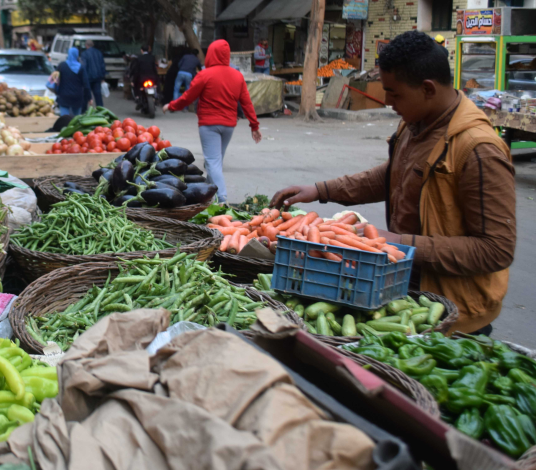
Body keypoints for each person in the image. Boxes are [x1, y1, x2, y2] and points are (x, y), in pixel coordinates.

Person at [270, 31, 515, 335]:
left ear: (427, 89)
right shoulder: (416, 122)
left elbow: (496, 250)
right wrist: (320, 190)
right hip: (404, 294)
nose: (387, 102)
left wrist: (395, 242)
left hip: (452, 315)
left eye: (395, 94)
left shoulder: (478, 150)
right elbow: (391, 176)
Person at [162, 40, 262, 203]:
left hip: (209, 125)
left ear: (211, 54)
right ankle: (207, 194)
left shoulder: (205, 74)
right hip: (229, 125)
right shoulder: (237, 76)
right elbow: (246, 103)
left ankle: (222, 198)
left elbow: (188, 97)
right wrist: (254, 126)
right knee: (215, 162)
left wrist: (171, 106)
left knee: (213, 162)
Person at [50, 47, 92, 116]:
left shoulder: (62, 65)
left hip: (64, 96)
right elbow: (86, 84)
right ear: (77, 55)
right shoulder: (81, 67)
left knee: (64, 119)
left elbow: (55, 79)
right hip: (77, 97)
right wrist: (89, 98)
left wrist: (56, 91)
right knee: (76, 119)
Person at [130, 44, 158, 109]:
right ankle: (156, 97)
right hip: (152, 78)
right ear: (148, 50)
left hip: (142, 79)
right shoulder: (152, 57)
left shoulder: (139, 58)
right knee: (156, 86)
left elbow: (136, 71)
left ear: (141, 50)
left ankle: (137, 97)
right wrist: (156, 79)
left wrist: (133, 80)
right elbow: (154, 69)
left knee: (135, 86)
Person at [81, 39, 107, 107]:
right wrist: (102, 77)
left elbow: (84, 67)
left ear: (86, 45)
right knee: (98, 96)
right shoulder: (99, 53)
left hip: (88, 78)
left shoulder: (84, 54)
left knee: (86, 96)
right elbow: (102, 65)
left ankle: (84, 112)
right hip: (97, 78)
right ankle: (100, 111)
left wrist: (83, 78)